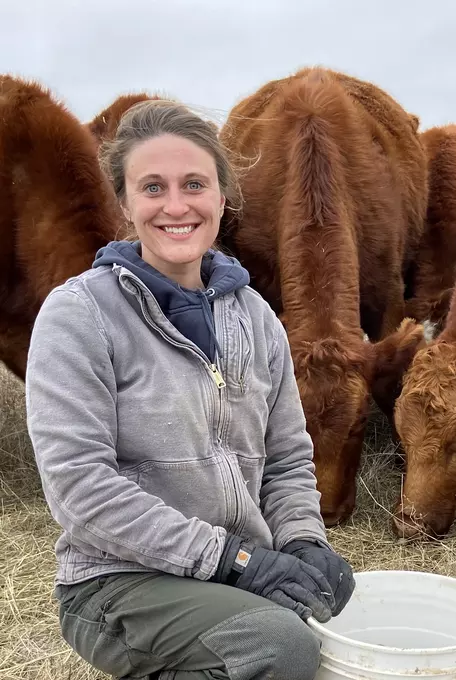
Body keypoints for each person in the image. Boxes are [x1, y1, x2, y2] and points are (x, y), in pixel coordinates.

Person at [25, 99, 355, 680]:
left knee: (337, 599)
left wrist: (303, 541)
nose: (175, 205)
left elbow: (286, 460)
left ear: (222, 198)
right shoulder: (79, 314)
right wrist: (235, 560)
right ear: (124, 203)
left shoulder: (255, 315)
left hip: (230, 567)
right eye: (152, 187)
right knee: (279, 646)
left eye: (194, 184)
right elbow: (81, 488)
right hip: (119, 579)